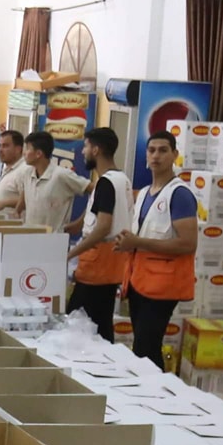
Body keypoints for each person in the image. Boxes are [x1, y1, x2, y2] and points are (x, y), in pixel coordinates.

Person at [115, 132, 200, 369]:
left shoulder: (179, 194)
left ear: (174, 155)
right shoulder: (143, 193)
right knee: (143, 348)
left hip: (163, 285)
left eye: (163, 150)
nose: (156, 156)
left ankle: (155, 388)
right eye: (151, 150)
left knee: (147, 347)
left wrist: (138, 242)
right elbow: (142, 235)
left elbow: (188, 243)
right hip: (138, 280)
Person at [66, 127, 132, 341]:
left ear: (96, 150)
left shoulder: (106, 183)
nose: (83, 151)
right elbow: (99, 210)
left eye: (85, 146)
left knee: (78, 320)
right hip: (113, 262)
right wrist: (77, 224)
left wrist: (71, 254)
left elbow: (103, 226)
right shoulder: (121, 179)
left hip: (97, 264)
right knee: (102, 323)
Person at [11, 130, 90, 228]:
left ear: (38, 154)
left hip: (54, 235)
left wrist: (80, 222)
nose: (24, 153)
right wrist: (17, 210)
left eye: (27, 148)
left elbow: (95, 190)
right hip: (30, 234)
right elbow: (26, 192)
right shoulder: (27, 173)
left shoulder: (61, 175)